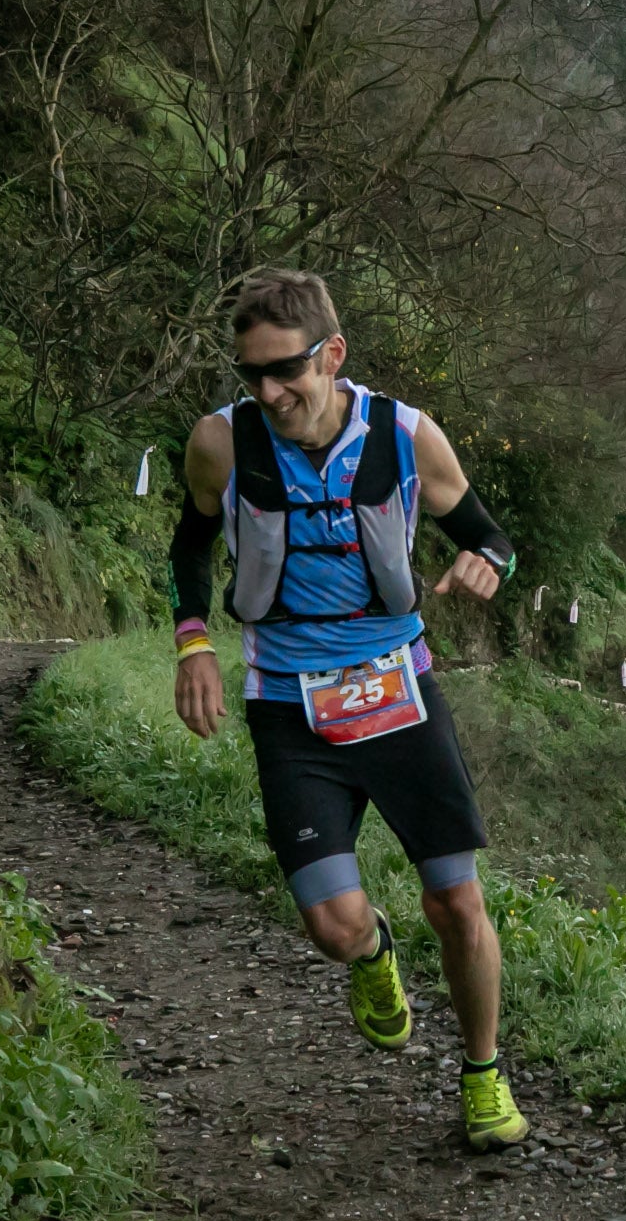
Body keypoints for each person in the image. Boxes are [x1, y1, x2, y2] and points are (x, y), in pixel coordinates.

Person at [166, 267, 529, 1152]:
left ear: (331, 354)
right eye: (252, 373)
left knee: (456, 900)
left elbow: (490, 534)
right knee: (330, 923)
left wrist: (491, 564)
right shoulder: (221, 442)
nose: (270, 391)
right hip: (288, 702)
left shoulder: (406, 436)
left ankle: (481, 1073)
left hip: (396, 692)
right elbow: (191, 542)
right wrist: (194, 641)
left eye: (286, 369)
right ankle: (372, 955)